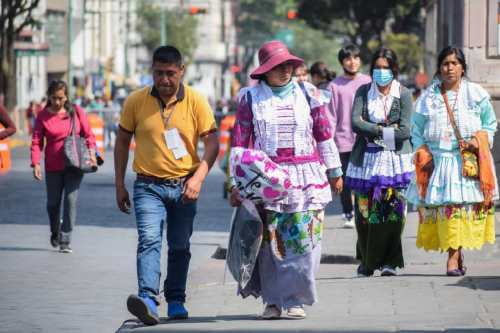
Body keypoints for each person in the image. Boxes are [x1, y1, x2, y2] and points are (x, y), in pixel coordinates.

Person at [229, 40, 343, 319]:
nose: (284, 71)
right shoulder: (250, 98)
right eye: (277, 67)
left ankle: (296, 299)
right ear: (264, 71)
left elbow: (324, 134)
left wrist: (335, 171)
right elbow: (240, 144)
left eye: (288, 65)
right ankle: (273, 301)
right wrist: (236, 183)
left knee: (305, 241)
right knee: (270, 243)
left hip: (306, 178)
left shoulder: (310, 93)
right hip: (267, 181)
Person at [114, 45, 219, 325]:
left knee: (180, 245)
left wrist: (198, 178)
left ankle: (175, 299)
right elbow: (122, 141)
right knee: (149, 240)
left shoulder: (196, 101)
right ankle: (147, 298)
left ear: (181, 71)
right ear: (152, 71)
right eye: (159, 73)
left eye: (170, 73)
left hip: (185, 186)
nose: (164, 80)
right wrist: (119, 184)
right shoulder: (136, 101)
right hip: (147, 186)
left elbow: (212, 144)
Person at [405, 46, 497, 276]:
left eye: (454, 63)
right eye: (445, 63)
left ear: (463, 67)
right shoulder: (428, 97)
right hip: (438, 162)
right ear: (439, 68)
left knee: (459, 208)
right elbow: (415, 130)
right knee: (447, 208)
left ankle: (454, 256)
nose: (449, 68)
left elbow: (490, 124)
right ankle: (452, 255)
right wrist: (422, 151)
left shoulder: (476, 94)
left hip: (466, 162)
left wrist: (479, 141)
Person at [345, 48, 414, 277]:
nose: (381, 72)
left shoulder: (403, 94)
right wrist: (383, 130)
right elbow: (355, 122)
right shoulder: (364, 92)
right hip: (366, 159)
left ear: (394, 69)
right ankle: (367, 261)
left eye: (386, 68)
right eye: (378, 67)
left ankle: (390, 262)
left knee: (391, 211)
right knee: (364, 212)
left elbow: (405, 131)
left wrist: (371, 128)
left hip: (394, 161)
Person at [30, 80, 97, 253]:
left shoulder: (76, 112)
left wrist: (92, 154)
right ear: (49, 96)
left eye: (61, 98)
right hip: (53, 166)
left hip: (75, 164)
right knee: (53, 204)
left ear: (66, 96)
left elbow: (88, 134)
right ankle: (55, 231)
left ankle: (65, 239)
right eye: (54, 98)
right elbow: (37, 141)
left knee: (70, 200)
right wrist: (36, 162)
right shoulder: (43, 116)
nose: (58, 102)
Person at [327, 45, 372, 228]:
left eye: (355, 57)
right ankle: (348, 213)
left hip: (364, 140)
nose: (352, 62)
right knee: (344, 181)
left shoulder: (369, 81)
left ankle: (362, 211)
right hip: (342, 141)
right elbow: (330, 115)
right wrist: (328, 142)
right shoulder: (334, 86)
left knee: (362, 179)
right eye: (347, 58)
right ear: (342, 62)